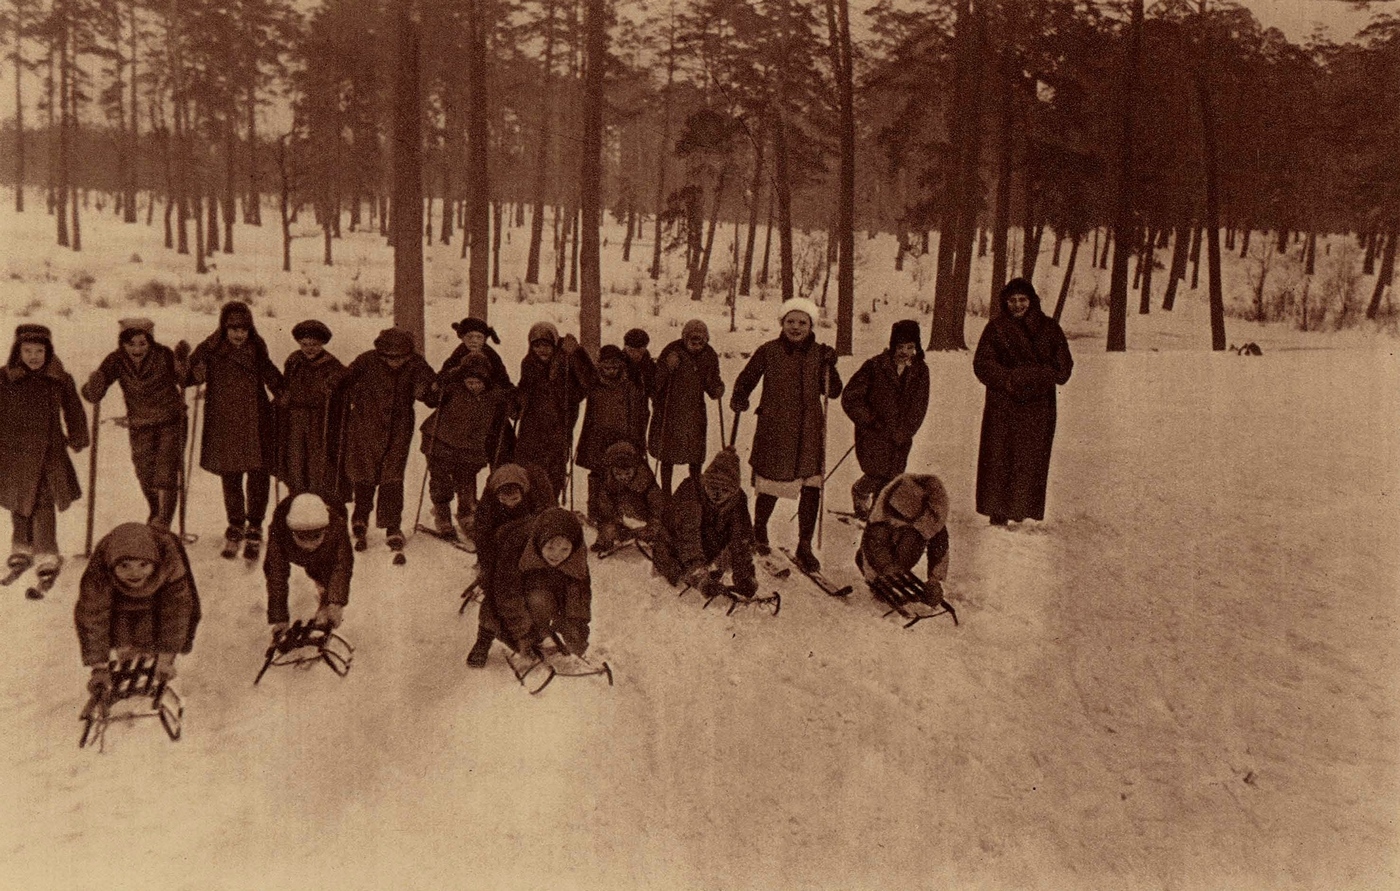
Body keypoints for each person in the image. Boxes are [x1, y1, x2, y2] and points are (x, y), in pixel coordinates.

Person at [730, 298, 842, 573]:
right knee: (771, 481)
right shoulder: (768, 351)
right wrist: (739, 396)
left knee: (811, 484)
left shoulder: (819, 354)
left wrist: (831, 366)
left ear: (811, 325)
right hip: (776, 427)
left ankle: (804, 544)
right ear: (782, 323)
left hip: (808, 431)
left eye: (802, 322)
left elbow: (834, 391)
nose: (796, 327)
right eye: (790, 321)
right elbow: (747, 377)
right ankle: (759, 529)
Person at [186, 301, 284, 560]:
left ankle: (255, 524)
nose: (239, 334)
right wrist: (189, 365)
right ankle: (235, 523)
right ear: (224, 327)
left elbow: (269, 371)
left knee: (258, 473)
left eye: (243, 329)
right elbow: (187, 377)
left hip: (256, 418)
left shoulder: (256, 347)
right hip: (224, 419)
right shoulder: (211, 348)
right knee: (230, 474)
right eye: (233, 329)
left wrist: (283, 391)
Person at [973, 278, 1073, 525]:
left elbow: (1064, 369)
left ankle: (1021, 509)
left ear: (1032, 301)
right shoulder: (995, 329)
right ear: (1005, 302)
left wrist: (1034, 376)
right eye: (1012, 300)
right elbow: (982, 363)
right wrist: (1008, 379)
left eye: (1022, 300)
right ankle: (997, 512)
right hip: (1003, 404)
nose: (1018, 305)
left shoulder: (1050, 329)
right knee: (999, 457)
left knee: (1029, 459)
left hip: (1037, 408)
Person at [81, 318, 191, 530]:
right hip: (140, 423)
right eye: (131, 344)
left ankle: (163, 523)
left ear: (151, 342)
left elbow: (185, 379)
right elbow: (94, 392)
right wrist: (93, 386)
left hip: (171, 419)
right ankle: (156, 511)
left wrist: (181, 360)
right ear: (122, 344)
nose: (137, 349)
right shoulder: (116, 360)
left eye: (142, 343)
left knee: (166, 472)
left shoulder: (163, 354)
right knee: (144, 472)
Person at [0, 324, 88, 589]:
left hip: (49, 452)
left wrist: (78, 436)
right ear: (18, 351)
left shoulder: (59, 378)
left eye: (40, 351)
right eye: (27, 351)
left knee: (43, 500)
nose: (34, 356)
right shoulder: (4, 378)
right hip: (13, 451)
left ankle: (47, 551)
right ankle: (22, 547)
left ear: (49, 352)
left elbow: (73, 409)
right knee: (19, 500)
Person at [337, 328, 436, 556]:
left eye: (400, 357)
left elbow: (430, 394)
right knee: (365, 472)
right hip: (365, 424)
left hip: (398, 429)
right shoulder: (366, 360)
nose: (395, 362)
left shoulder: (416, 364)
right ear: (380, 353)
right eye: (389, 357)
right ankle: (360, 516)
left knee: (392, 475)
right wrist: (336, 383)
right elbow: (346, 377)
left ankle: (392, 525)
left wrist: (431, 390)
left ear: (408, 355)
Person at [75, 522, 200, 694]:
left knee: (150, 638)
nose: (135, 573)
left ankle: (148, 659)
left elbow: (176, 613)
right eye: (125, 566)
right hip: (118, 606)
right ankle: (128, 661)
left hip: (157, 603)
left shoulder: (169, 565)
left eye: (143, 565)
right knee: (125, 641)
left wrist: (166, 659)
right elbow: (92, 616)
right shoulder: (99, 572)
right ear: (113, 565)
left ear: (155, 564)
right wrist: (99, 668)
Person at [840, 320, 931, 521]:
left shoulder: (920, 371)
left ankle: (877, 513)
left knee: (892, 476)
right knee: (875, 472)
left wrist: (906, 431)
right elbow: (850, 397)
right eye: (900, 347)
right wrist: (869, 419)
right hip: (873, 432)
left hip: (900, 435)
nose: (905, 352)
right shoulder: (875, 366)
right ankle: (860, 491)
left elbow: (919, 406)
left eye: (910, 347)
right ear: (892, 346)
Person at [468, 462, 555, 667]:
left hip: (531, 546)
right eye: (504, 499)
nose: (510, 504)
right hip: (499, 550)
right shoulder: (487, 508)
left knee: (538, 590)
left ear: (523, 493)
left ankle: (541, 631)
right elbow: (483, 538)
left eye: (515, 499)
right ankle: (483, 640)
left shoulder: (537, 498)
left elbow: (551, 523)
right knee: (496, 592)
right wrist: (487, 567)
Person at [420, 351, 513, 542]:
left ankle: (467, 513)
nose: (474, 386)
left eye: (478, 383)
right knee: (441, 481)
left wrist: (514, 403)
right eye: (469, 382)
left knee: (466, 481)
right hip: (440, 442)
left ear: (486, 381)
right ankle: (442, 514)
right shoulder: (452, 389)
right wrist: (441, 382)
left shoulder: (493, 396)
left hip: (470, 447)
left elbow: (513, 404)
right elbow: (429, 398)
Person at [651, 446, 758, 601]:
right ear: (705, 482)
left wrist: (744, 576)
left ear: (734, 491)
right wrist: (700, 577)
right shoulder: (690, 490)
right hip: (672, 549)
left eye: (725, 490)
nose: (717, 494)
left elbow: (741, 539)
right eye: (713, 487)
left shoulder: (738, 499)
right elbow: (688, 538)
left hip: (705, 552)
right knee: (674, 575)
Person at [489, 507, 592, 663]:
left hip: (544, 584)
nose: (557, 555)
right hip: (513, 588)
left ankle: (542, 628)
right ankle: (486, 639)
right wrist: (524, 635)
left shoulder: (576, 556)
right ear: (541, 542)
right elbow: (506, 598)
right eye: (550, 547)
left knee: (547, 601)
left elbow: (579, 597)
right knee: (493, 613)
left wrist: (576, 630)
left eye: (564, 549)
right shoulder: (516, 546)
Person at [513, 321, 594, 502]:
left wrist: (577, 353)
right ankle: (527, 504)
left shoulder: (566, 362)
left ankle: (550, 504)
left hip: (559, 424)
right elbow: (524, 387)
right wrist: (517, 401)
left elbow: (588, 382)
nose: (542, 350)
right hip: (532, 425)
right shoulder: (528, 363)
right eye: (537, 345)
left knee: (554, 467)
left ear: (555, 344)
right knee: (527, 466)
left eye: (547, 345)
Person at [649, 319, 725, 496]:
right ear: (685, 338)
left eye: (701, 341)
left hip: (694, 413)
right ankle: (666, 493)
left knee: (695, 455)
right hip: (670, 411)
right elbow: (656, 384)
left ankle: (695, 491)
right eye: (693, 341)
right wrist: (667, 367)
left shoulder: (709, 355)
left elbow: (711, 383)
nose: (696, 345)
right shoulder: (672, 351)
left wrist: (717, 388)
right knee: (667, 455)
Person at [575, 344, 649, 522]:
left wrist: (637, 440)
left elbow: (637, 414)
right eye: (606, 367)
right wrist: (577, 351)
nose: (610, 371)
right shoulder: (594, 385)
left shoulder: (629, 387)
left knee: (618, 474)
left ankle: (616, 513)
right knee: (597, 474)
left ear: (621, 367)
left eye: (614, 367)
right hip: (597, 438)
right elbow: (581, 374)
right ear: (600, 367)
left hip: (621, 439)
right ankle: (594, 511)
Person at [263, 492, 353, 637]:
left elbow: (342, 566)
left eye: (316, 536)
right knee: (308, 562)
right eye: (302, 537)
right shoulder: (279, 532)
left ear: (325, 529)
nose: (309, 544)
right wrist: (279, 618)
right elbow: (276, 575)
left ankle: (325, 598)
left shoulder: (337, 528)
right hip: (292, 545)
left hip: (327, 544)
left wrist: (335, 602)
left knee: (325, 565)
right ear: (292, 532)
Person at [276, 319, 346, 500]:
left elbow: (344, 386)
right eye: (304, 344)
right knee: (295, 458)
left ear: (322, 343)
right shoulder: (293, 360)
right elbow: (287, 383)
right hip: (295, 417)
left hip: (319, 418)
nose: (309, 349)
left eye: (314, 345)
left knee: (317, 459)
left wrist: (333, 388)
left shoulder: (332, 365)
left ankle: (318, 498)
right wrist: (284, 397)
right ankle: (296, 496)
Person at [854, 474, 950, 604]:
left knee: (912, 540)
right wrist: (882, 573)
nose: (895, 521)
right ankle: (888, 573)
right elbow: (873, 547)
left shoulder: (932, 516)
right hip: (882, 548)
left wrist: (934, 579)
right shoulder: (881, 515)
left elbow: (940, 548)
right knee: (872, 549)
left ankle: (898, 569)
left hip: (908, 539)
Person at [591, 441, 666, 553]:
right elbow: (605, 510)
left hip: (645, 522)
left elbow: (658, 509)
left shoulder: (647, 483)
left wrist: (652, 527)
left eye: (627, 473)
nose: (623, 478)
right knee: (608, 529)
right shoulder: (608, 485)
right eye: (618, 474)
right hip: (621, 522)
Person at [622, 327, 656, 395]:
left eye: (640, 351)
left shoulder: (649, 366)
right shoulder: (616, 366)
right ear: (625, 348)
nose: (636, 355)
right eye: (631, 351)